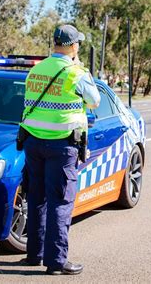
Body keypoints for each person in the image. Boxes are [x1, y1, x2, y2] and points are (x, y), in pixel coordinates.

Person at [20, 24, 100, 275]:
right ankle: (56, 261)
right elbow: (95, 101)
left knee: (36, 198)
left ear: (54, 44)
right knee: (61, 202)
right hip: (62, 144)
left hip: (33, 142)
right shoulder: (75, 73)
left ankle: (34, 254)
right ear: (74, 46)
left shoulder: (36, 70)